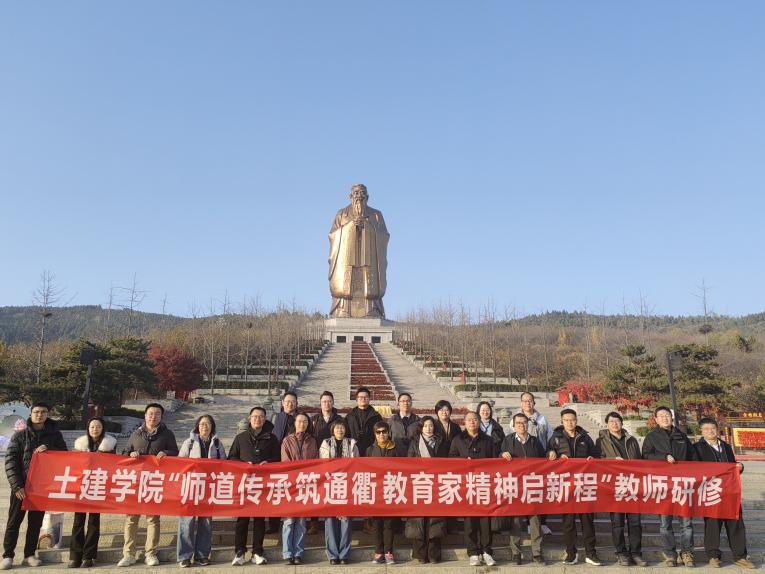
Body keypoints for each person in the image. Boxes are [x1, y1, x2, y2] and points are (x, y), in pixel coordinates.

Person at [2, 402, 67, 570]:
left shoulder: (55, 435)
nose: (40, 415)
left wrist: (49, 448)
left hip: (41, 488)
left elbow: (64, 455)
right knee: (14, 522)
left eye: (43, 412)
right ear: (31, 414)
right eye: (36, 412)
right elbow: (10, 462)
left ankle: (29, 554)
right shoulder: (20, 436)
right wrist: (17, 486)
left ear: (48, 414)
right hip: (22, 488)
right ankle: (8, 556)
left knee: (35, 523)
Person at [118, 403, 178, 568]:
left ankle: (150, 553)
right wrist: (130, 453)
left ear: (161, 417)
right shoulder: (136, 434)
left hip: (155, 482)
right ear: (145, 416)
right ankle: (128, 554)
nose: (153, 416)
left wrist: (166, 453)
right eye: (151, 413)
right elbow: (124, 452)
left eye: (157, 414)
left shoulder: (167, 434)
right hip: (135, 482)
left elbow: (176, 452)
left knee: (153, 519)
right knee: (131, 519)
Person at [694, 417, 755, 569]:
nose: (710, 431)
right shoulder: (697, 448)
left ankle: (740, 556)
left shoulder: (725, 446)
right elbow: (694, 470)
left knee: (735, 523)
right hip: (711, 491)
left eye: (713, 428)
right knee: (712, 524)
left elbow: (732, 466)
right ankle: (713, 556)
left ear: (717, 430)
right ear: (701, 431)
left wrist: (739, 466)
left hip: (729, 491)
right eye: (706, 429)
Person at [642, 406, 697, 567]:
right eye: (661, 416)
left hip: (682, 485)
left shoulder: (681, 436)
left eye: (667, 415)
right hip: (663, 486)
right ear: (656, 419)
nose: (665, 418)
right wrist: (663, 457)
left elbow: (693, 457)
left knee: (686, 523)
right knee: (665, 524)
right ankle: (670, 554)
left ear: (671, 418)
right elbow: (645, 456)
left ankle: (687, 553)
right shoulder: (651, 436)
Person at [548, 408, 601, 566]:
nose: (570, 423)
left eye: (572, 420)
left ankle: (591, 553)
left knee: (587, 521)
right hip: (566, 486)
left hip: (584, 485)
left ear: (576, 420)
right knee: (568, 522)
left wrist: (592, 458)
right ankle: (571, 553)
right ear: (562, 421)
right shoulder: (556, 438)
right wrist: (553, 454)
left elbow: (596, 454)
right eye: (566, 420)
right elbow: (548, 453)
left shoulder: (585, 437)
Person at [228, 407, 280, 566]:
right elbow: (231, 458)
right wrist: (244, 465)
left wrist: (268, 463)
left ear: (265, 419)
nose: (258, 419)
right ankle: (239, 552)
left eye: (261, 416)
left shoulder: (272, 438)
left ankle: (257, 551)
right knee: (242, 520)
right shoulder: (240, 438)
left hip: (263, 485)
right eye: (255, 416)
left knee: (259, 519)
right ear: (250, 418)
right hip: (244, 484)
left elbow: (278, 459)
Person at [595, 412, 646, 567]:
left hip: (632, 486)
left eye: (617, 421)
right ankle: (621, 553)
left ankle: (636, 553)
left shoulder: (631, 440)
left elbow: (640, 461)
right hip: (615, 486)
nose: (614, 423)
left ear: (622, 423)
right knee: (617, 523)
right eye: (611, 421)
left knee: (635, 523)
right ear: (607, 424)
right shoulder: (601, 441)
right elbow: (597, 462)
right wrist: (611, 461)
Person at [176, 415, 226, 568]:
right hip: (191, 488)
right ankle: (184, 556)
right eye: (202, 423)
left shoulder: (217, 444)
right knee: (186, 522)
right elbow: (179, 463)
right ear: (197, 426)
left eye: (208, 423)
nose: (205, 426)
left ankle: (202, 555)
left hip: (209, 489)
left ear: (212, 426)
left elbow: (224, 464)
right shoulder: (189, 442)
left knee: (206, 523)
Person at [68, 417, 117, 569]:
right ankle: (75, 556)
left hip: (98, 485)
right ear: (88, 429)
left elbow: (113, 464)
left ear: (103, 428)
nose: (95, 429)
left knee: (94, 522)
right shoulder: (80, 444)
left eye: (98, 426)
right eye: (92, 427)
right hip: (81, 486)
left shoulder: (110, 444)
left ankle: (88, 556)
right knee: (78, 521)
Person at [449, 411, 496, 567]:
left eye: (475, 419)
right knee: (469, 521)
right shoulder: (458, 440)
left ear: (479, 422)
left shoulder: (488, 440)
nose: (472, 422)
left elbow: (495, 461)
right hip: (466, 485)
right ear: (464, 422)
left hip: (484, 485)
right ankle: (473, 553)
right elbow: (451, 459)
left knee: (485, 521)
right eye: (469, 420)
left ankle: (487, 551)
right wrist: (463, 461)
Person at [498, 413, 546, 565]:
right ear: (513, 425)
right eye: (518, 423)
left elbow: (544, 459)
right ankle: (516, 553)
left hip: (532, 486)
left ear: (528, 424)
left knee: (535, 522)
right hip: (515, 487)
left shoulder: (535, 441)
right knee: (516, 522)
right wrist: (502, 454)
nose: (521, 425)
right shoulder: (508, 440)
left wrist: (551, 453)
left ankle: (537, 553)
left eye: (524, 422)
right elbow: (499, 458)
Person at [406, 416, 448, 563]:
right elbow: (409, 462)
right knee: (418, 520)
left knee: (435, 520)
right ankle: (420, 554)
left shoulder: (441, 442)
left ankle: (434, 554)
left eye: (431, 426)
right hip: (420, 483)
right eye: (425, 426)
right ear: (421, 428)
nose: (428, 428)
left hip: (436, 485)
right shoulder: (414, 442)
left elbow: (448, 462)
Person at [280, 413, 318, 565]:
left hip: (306, 485)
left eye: (305, 421)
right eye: (300, 421)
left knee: (301, 522)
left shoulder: (312, 440)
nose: (302, 424)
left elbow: (315, 461)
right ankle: (287, 553)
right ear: (294, 423)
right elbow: (285, 462)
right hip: (291, 485)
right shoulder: (287, 440)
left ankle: (298, 553)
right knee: (289, 521)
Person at [319, 420, 359, 565]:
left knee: (346, 520)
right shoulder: (325, 443)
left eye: (342, 427)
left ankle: (344, 554)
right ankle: (332, 554)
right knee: (330, 520)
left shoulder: (352, 444)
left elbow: (357, 465)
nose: (339, 430)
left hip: (348, 485)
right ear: (332, 429)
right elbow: (323, 464)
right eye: (337, 428)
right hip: (330, 484)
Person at [308, 391, 345, 534]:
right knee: (317, 491)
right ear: (320, 403)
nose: (327, 404)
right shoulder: (314, 420)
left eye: (329, 401)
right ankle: (314, 522)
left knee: (334, 490)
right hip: (318, 461)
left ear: (333, 403)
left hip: (336, 462)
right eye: (324, 401)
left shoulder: (339, 419)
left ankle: (335, 519)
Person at [366, 421, 399, 565]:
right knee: (377, 523)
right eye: (378, 432)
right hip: (375, 491)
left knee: (389, 523)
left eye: (384, 432)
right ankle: (378, 552)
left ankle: (389, 552)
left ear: (388, 433)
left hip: (391, 489)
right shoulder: (369, 450)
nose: (381, 435)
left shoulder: (396, 449)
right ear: (375, 434)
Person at [345, 386, 382, 457]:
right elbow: (346, 434)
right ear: (356, 399)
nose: (363, 399)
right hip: (353, 451)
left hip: (372, 451)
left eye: (366, 397)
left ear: (369, 399)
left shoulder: (376, 416)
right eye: (361, 397)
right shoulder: (350, 416)